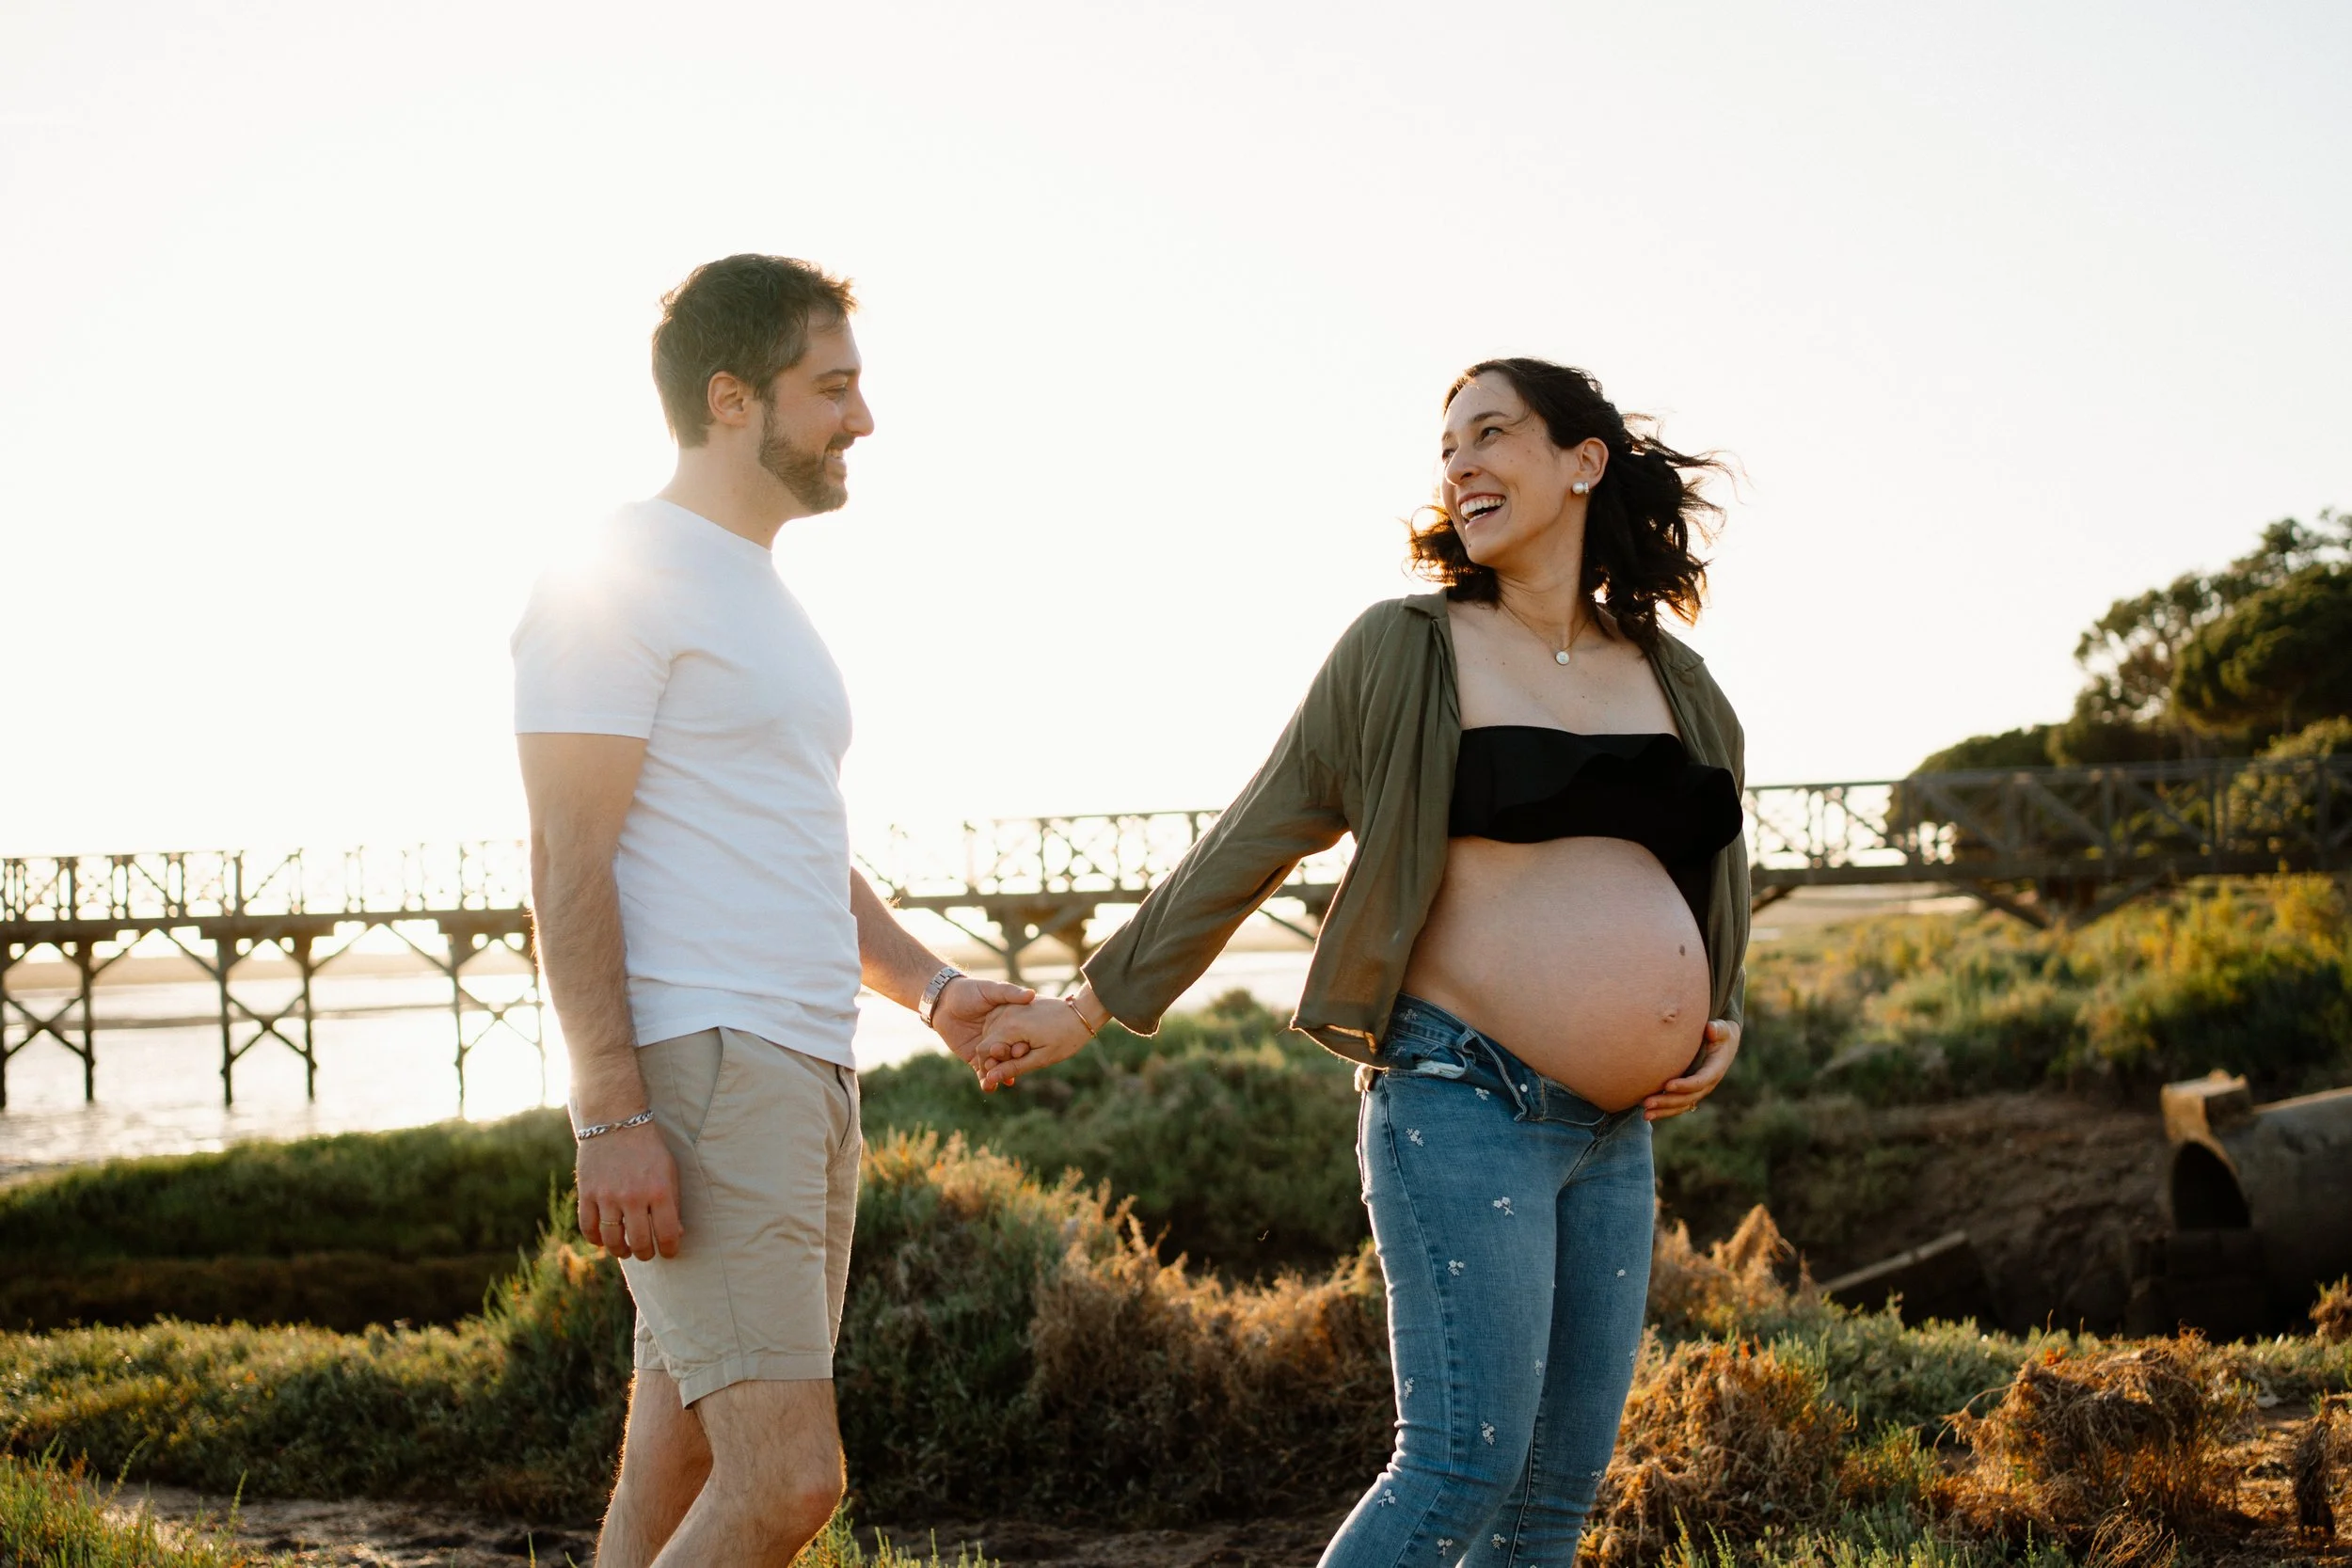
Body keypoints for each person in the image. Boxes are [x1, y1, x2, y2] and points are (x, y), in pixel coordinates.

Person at [974, 358, 1751, 1566]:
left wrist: (1725, 1009)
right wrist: (1089, 1001)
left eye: (1492, 434)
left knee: (1550, 1505)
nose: (1461, 466)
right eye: (1448, 449)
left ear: (1582, 461)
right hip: (1462, 1095)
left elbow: (1719, 864)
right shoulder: (1408, 649)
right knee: (1455, 1472)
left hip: (1614, 1132)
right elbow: (1260, 825)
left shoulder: (1676, 680)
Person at [511, 254, 1029, 1568]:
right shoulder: (622, 573)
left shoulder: (758, 588)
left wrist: (931, 986)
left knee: (673, 1472)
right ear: (732, 398)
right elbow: (568, 860)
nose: (863, 419)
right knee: (789, 1478)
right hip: (703, 1068)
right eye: (834, 387)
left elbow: (799, 847)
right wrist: (613, 1111)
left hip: (803, 1071)